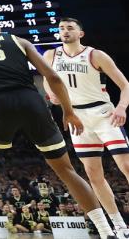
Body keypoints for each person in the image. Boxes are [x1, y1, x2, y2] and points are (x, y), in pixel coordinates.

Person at [0, 0, 119, 239]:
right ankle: (106, 232)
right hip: (31, 101)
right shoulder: (19, 42)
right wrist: (68, 111)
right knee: (66, 170)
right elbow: (51, 75)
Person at [43, 17, 129, 232]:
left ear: (81, 33)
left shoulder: (95, 55)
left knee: (126, 166)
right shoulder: (51, 55)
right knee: (93, 175)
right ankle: (119, 226)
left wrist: (121, 107)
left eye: (70, 28)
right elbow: (46, 76)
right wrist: (49, 91)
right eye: (61, 28)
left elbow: (125, 84)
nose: (65, 31)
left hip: (103, 114)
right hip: (76, 117)